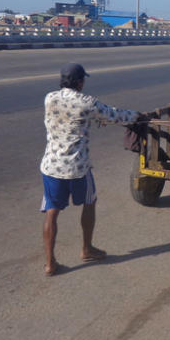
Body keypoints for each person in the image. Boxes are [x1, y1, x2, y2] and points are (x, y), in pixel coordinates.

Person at [40, 62, 142, 276]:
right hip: (77, 167)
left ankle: (50, 264)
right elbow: (114, 115)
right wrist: (137, 116)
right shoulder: (87, 103)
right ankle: (86, 249)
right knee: (90, 201)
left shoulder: (49, 98)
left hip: (51, 165)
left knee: (52, 211)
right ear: (79, 82)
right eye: (83, 79)